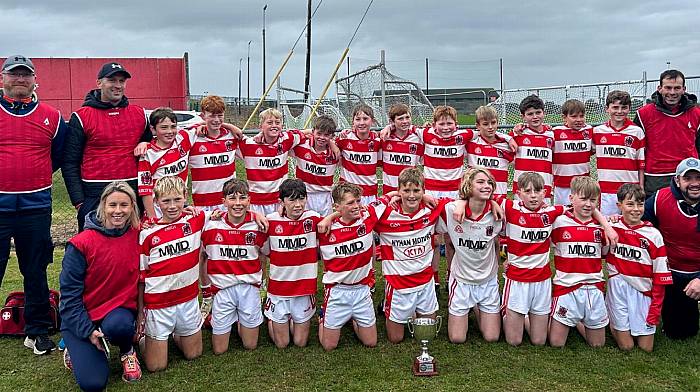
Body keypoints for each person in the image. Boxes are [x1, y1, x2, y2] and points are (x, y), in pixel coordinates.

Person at [0, 55, 68, 354]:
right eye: (14, 74)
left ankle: (36, 330)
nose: (19, 79)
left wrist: (30, 175)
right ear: (3, 79)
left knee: (36, 269)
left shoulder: (52, 116)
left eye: (25, 75)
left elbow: (57, 156)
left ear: (34, 80)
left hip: (36, 207)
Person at [59, 182, 142, 390]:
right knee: (93, 384)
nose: (118, 211)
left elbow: (169, 218)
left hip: (116, 314)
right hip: (82, 317)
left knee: (121, 326)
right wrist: (87, 331)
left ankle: (127, 351)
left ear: (132, 207)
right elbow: (68, 299)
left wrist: (190, 209)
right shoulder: (80, 244)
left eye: (124, 205)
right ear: (103, 206)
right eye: (112, 204)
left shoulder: (138, 235)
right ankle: (76, 346)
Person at [62, 62, 151, 231]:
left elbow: (155, 146)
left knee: (133, 249)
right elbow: (70, 162)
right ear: (99, 83)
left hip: (132, 193)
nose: (117, 85)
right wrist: (79, 202)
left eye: (121, 81)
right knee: (95, 251)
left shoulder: (140, 114)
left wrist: (146, 143)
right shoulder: (81, 116)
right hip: (95, 195)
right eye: (112, 80)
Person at [137, 176, 205, 372]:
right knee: (156, 366)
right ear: (156, 201)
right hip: (158, 305)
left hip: (187, 300)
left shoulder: (195, 220)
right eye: (166, 201)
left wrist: (257, 216)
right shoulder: (147, 233)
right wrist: (141, 312)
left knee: (194, 355)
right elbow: (142, 278)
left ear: (185, 197)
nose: (172, 206)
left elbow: (222, 215)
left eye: (177, 199)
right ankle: (144, 338)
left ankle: (176, 333)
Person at [374, 168, 449, 343]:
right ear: (399, 191)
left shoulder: (431, 209)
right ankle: (386, 304)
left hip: (425, 283)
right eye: (406, 190)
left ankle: (413, 309)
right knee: (396, 339)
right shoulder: (385, 214)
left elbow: (462, 203)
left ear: (424, 191)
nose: (412, 195)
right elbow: (365, 211)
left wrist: (428, 198)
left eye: (416, 191)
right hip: (399, 284)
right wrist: (388, 196)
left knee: (429, 332)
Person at [201, 179, 267, 354]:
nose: (238, 203)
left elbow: (265, 254)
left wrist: (262, 281)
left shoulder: (258, 226)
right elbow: (202, 255)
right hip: (223, 291)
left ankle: (239, 319)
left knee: (250, 345)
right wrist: (205, 289)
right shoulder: (210, 226)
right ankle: (225, 316)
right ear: (223, 201)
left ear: (249, 200)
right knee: (219, 350)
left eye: (242, 198)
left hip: (249, 289)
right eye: (232, 198)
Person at [437, 168, 502, 343]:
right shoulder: (451, 210)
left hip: (487, 281)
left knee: (492, 337)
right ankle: (469, 305)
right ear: (468, 186)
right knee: (457, 338)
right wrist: (460, 202)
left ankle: (478, 306)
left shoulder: (497, 212)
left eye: (489, 183)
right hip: (462, 281)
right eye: (480, 182)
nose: (486, 186)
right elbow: (424, 199)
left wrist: (494, 203)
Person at [606, 183, 671, 352]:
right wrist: (608, 222)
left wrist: (655, 309)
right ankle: (611, 318)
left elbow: (660, 275)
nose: (635, 209)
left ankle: (622, 322)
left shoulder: (653, 235)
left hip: (643, 292)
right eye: (630, 204)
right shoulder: (611, 227)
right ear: (619, 205)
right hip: (618, 288)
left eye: (640, 204)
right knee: (626, 347)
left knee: (646, 348)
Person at [317, 183, 379, 351]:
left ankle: (353, 318)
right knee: (329, 346)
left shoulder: (367, 216)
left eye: (358, 201)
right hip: (337, 291)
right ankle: (323, 317)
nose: (357, 206)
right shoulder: (324, 228)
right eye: (351, 203)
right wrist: (330, 217)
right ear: (337, 206)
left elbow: (392, 198)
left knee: (371, 342)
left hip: (362, 290)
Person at [643, 157, 700, 339]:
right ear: (677, 180)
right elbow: (637, 221)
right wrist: (613, 220)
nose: (694, 184)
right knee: (680, 333)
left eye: (698, 178)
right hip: (672, 273)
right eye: (688, 178)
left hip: (698, 273)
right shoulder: (660, 198)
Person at [549, 176, 608, 348]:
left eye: (592, 200)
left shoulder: (602, 227)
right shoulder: (558, 222)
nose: (588, 204)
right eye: (583, 199)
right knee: (556, 343)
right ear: (571, 198)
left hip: (594, 288)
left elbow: (605, 253)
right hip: (566, 288)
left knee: (597, 345)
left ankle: (576, 320)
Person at [263, 179, 321, 348]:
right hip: (278, 290)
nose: (298, 205)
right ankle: (272, 316)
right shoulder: (270, 221)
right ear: (281, 202)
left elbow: (336, 219)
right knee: (282, 344)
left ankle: (287, 318)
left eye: (301, 199)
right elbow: (265, 249)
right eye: (292, 200)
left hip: (303, 290)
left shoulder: (313, 219)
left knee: (300, 342)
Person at [634, 70, 700, 196]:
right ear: (659, 88)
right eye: (668, 88)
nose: (672, 92)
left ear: (684, 89)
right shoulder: (643, 114)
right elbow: (636, 149)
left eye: (677, 88)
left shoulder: (696, 114)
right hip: (655, 177)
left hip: (688, 175)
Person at [238, 108, 305, 215]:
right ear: (260, 126)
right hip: (256, 202)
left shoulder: (286, 139)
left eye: (277, 123)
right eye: (269, 122)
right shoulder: (249, 144)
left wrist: (332, 144)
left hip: (279, 201)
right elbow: (227, 138)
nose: (274, 125)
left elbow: (308, 133)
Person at [137, 107, 196, 218]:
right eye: (164, 128)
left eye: (173, 127)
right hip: (160, 211)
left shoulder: (182, 138)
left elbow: (206, 123)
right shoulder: (148, 154)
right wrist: (153, 219)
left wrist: (231, 127)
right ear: (153, 129)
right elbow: (145, 191)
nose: (169, 131)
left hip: (179, 206)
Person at [593, 91, 645, 216]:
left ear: (629, 109)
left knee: (629, 224)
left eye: (624, 107)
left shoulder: (637, 132)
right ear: (607, 109)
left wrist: (641, 187)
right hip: (606, 191)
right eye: (615, 107)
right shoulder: (597, 131)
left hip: (630, 190)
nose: (620, 111)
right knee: (608, 226)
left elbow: (641, 164)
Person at [189, 95, 239, 212]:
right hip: (202, 203)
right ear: (203, 115)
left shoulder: (231, 136)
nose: (216, 120)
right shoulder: (193, 137)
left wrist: (229, 126)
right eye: (212, 115)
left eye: (220, 115)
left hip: (228, 201)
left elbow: (255, 146)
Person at [292, 115, 339, 216]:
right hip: (304, 195)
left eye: (326, 135)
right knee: (306, 228)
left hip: (325, 197)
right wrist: (307, 131)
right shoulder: (301, 145)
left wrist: (332, 144)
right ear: (313, 131)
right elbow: (285, 136)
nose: (322, 138)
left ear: (332, 136)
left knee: (325, 228)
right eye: (319, 133)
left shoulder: (336, 152)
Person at [510, 95, 554, 202]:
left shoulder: (551, 134)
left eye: (538, 112)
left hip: (544, 188)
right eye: (530, 114)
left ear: (544, 113)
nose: (535, 117)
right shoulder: (516, 134)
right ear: (523, 117)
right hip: (522, 189)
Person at [336, 104, 382, 205]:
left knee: (369, 220)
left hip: (369, 193)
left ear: (372, 121)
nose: (362, 123)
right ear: (353, 121)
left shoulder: (378, 141)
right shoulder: (344, 138)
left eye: (365, 119)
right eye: (358, 119)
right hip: (348, 193)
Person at [467, 105, 515, 200]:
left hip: (499, 198)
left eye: (493, 123)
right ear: (478, 126)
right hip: (476, 200)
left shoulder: (506, 146)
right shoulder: (470, 144)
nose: (490, 127)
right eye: (485, 124)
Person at [552, 100, 594, 206]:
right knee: (563, 215)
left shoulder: (589, 131)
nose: (579, 120)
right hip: (562, 185)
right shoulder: (555, 132)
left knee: (582, 213)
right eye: (574, 116)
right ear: (564, 117)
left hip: (582, 184)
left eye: (581, 116)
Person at [380, 104, 424, 194]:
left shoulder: (418, 139)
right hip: (389, 191)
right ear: (392, 121)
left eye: (407, 117)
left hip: (409, 191)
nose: (405, 121)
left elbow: (426, 164)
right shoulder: (384, 138)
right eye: (400, 119)